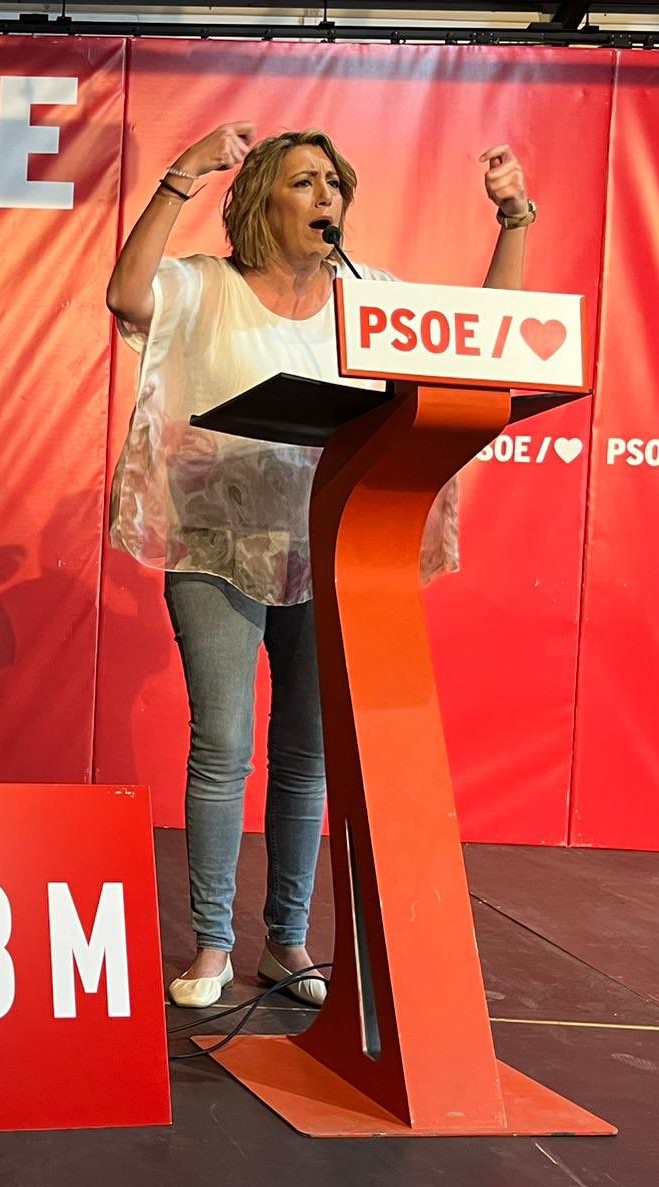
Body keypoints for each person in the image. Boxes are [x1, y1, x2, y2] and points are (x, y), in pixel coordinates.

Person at [105, 124, 533, 1008]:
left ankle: (286, 942)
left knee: (306, 756)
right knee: (224, 748)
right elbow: (126, 292)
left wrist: (515, 220)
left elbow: (478, 343)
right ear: (262, 199)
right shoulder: (206, 285)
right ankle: (213, 946)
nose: (325, 196)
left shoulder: (369, 297)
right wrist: (183, 175)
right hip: (217, 543)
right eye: (304, 181)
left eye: (334, 183)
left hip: (328, 546)